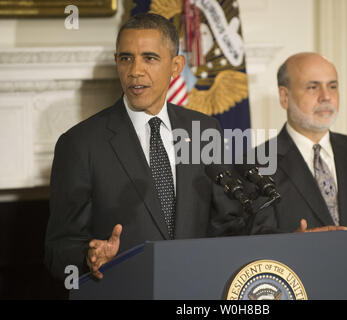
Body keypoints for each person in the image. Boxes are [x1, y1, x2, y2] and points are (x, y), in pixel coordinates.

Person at [44, 13, 254, 281]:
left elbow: (228, 223)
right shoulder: (79, 144)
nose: (135, 71)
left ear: (176, 66)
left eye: (150, 58)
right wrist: (88, 258)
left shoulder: (204, 130)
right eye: (126, 58)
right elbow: (58, 249)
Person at [258, 52, 347, 299]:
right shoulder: (256, 164)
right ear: (284, 96)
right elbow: (253, 243)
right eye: (313, 87)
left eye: (333, 86)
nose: (326, 97)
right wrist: (290, 246)